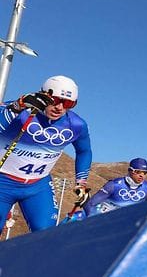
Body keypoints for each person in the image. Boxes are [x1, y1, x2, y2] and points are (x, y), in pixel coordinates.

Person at [0, 76, 92, 232]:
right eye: (55, 100)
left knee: (45, 233)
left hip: (38, 186)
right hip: (3, 183)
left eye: (69, 103)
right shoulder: (18, 110)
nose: (60, 108)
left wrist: (81, 181)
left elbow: (84, 151)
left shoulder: (76, 125)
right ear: (44, 94)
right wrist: (17, 106)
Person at [79, 158, 147, 218]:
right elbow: (89, 204)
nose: (142, 175)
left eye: (145, 173)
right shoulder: (114, 185)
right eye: (138, 172)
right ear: (130, 171)